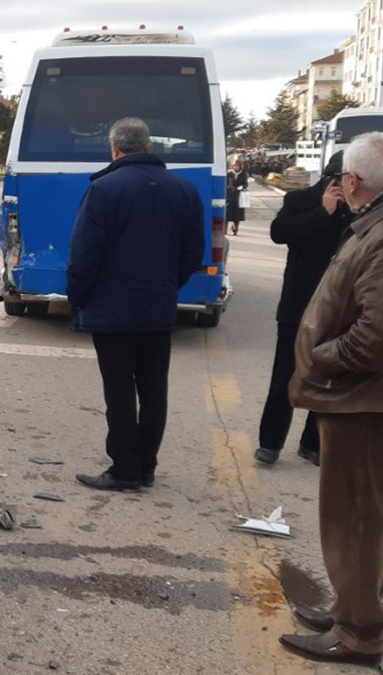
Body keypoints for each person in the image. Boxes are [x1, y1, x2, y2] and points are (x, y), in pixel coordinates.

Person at [279, 132, 383, 667]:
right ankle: (352, 607)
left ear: (353, 182)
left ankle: (357, 633)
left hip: (362, 399)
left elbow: (380, 333)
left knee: (354, 515)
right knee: (363, 512)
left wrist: (324, 358)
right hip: (365, 397)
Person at [68, 117, 204, 491]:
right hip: (158, 307)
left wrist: (78, 299)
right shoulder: (184, 190)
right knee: (153, 388)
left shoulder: (104, 189)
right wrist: (167, 285)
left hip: (111, 311)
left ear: (113, 149)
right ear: (149, 147)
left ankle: (125, 469)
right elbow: (193, 253)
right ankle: (146, 466)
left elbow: (84, 254)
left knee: (120, 389)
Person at [253, 151, 354, 467]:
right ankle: (270, 443)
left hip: (341, 308)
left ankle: (312, 443)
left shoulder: (362, 209)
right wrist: (323, 212)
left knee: (329, 378)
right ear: (331, 179)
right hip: (299, 306)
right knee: (286, 375)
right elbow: (279, 232)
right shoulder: (301, 200)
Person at [226, 158, 249, 235]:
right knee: (227, 214)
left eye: (238, 166)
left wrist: (242, 187)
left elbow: (246, 184)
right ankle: (225, 230)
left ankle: (235, 230)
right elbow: (225, 183)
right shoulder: (229, 174)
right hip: (230, 196)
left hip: (239, 196)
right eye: (235, 166)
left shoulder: (243, 174)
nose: (236, 167)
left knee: (237, 215)